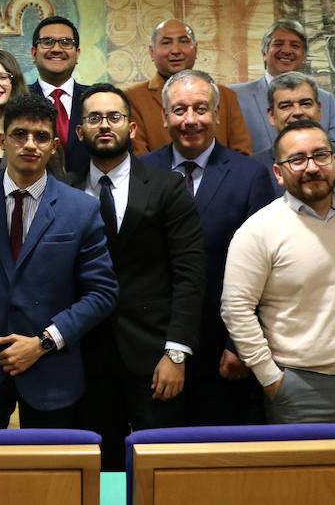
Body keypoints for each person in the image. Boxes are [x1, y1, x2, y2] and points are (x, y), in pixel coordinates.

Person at [0, 93, 118, 429]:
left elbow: (102, 293)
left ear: (54, 146)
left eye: (42, 137)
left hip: (52, 371)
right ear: (4, 140)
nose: (30, 144)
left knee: (52, 481)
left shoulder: (80, 208)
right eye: (20, 134)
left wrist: (44, 341)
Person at [222, 119, 335, 451]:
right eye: (297, 159)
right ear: (278, 172)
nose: (311, 167)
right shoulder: (258, 230)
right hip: (300, 389)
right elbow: (237, 309)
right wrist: (271, 378)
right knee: (311, 491)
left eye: (321, 155)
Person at [72, 83, 205, 470]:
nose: (104, 125)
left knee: (158, 466)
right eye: (94, 118)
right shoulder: (62, 188)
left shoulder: (167, 186)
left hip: (154, 355)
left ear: (131, 128)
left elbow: (190, 272)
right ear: (80, 132)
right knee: (102, 468)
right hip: (86, 358)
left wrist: (176, 352)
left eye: (114, 117)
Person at [138, 69, 278, 427]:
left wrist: (239, 345)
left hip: (223, 349)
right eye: (180, 110)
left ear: (217, 114)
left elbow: (265, 271)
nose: (190, 120)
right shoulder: (140, 172)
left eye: (200, 109)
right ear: (164, 117)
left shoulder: (249, 176)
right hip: (153, 346)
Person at [125, 19, 251, 155]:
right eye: (166, 43)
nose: (176, 50)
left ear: (196, 49)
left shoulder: (226, 96)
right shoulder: (133, 98)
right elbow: (139, 159)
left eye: (184, 41)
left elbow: (242, 153)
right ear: (151, 51)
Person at [250, 71, 335, 200]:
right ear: (271, 115)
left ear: (319, 109)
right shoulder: (251, 170)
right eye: (286, 106)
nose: (297, 112)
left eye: (305, 103)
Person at [229, 19, 335, 152]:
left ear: (304, 55)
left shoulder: (327, 100)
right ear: (264, 53)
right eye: (278, 44)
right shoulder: (235, 96)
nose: (287, 50)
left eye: (295, 45)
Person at [27, 16, 90, 174]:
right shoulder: (18, 98)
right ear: (34, 53)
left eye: (66, 42)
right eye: (47, 42)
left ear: (77, 53)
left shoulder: (95, 99)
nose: (56, 49)